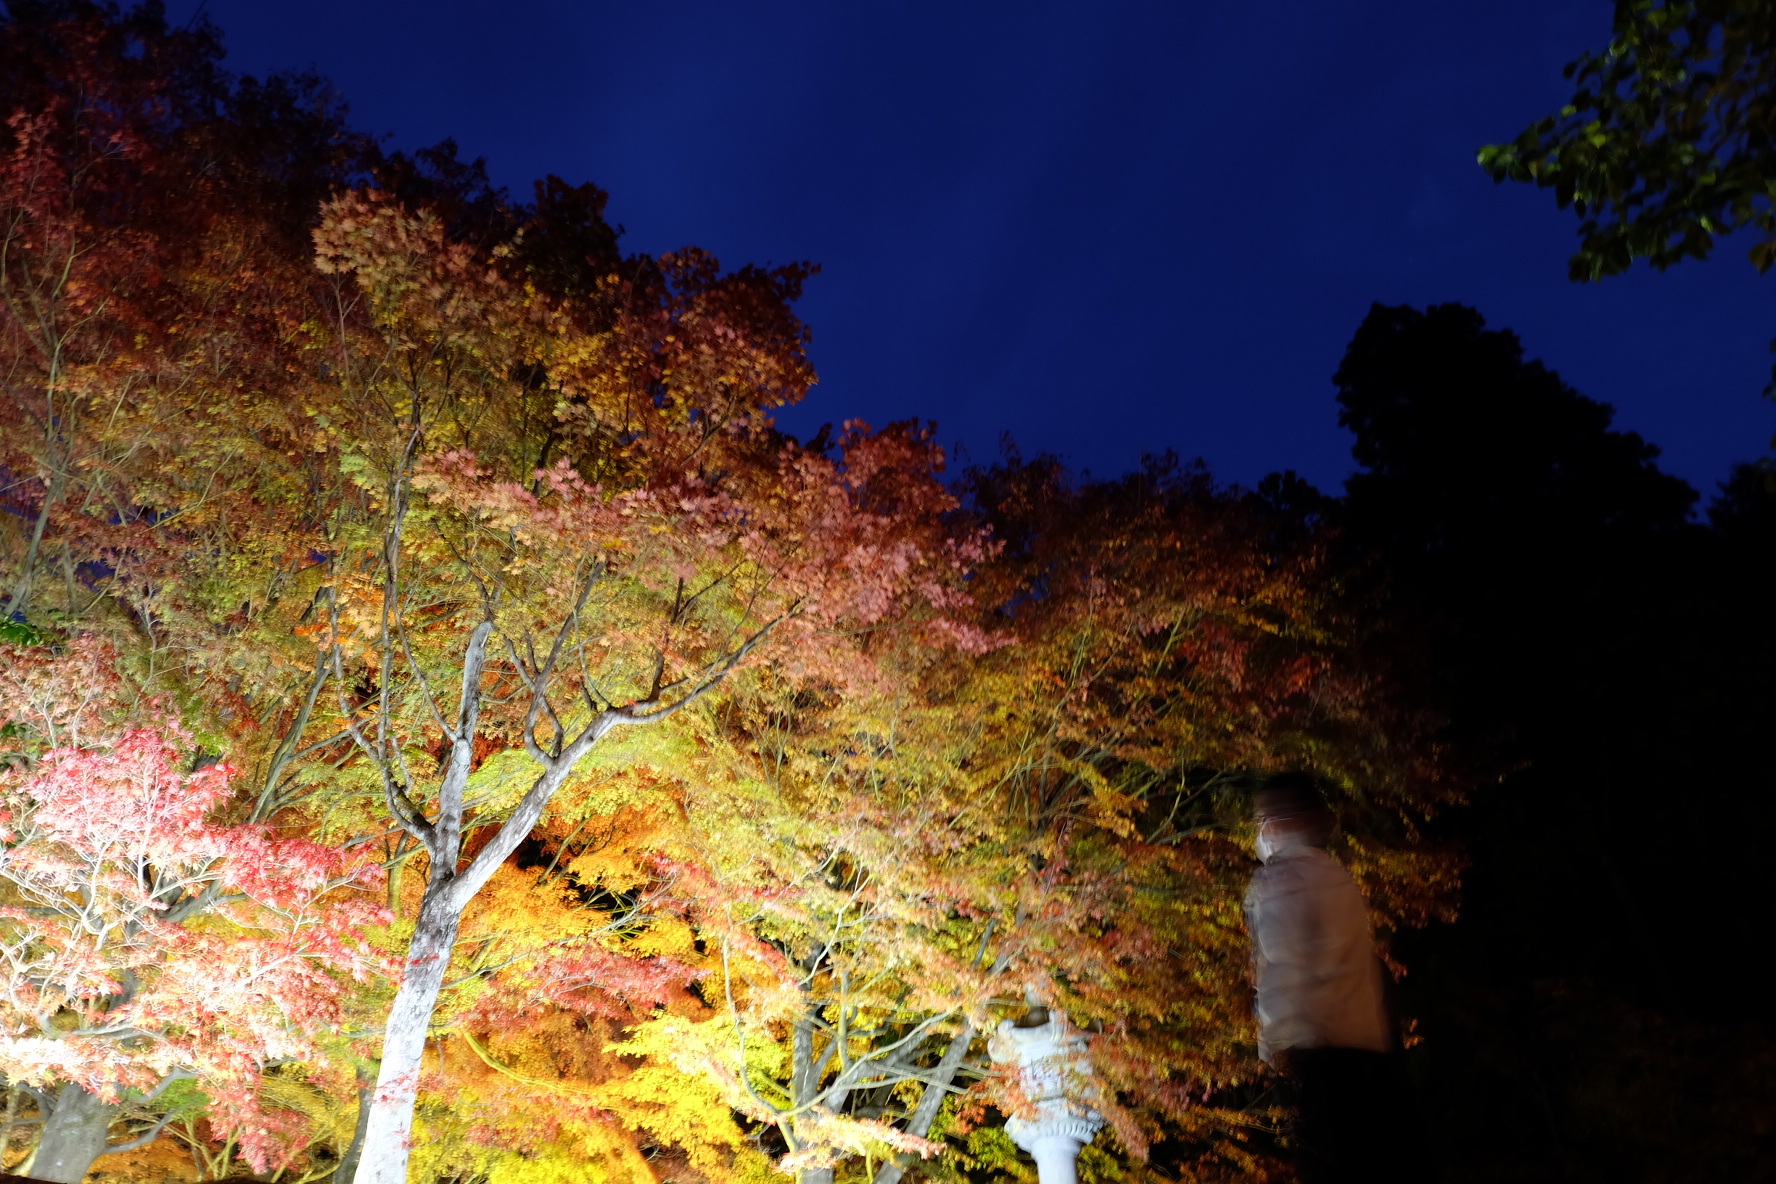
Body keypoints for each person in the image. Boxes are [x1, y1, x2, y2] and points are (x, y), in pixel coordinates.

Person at [1243, 773, 1418, 1183]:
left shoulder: (1280, 879)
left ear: (1284, 819)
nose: (1260, 830)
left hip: (1311, 1049)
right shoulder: (1338, 876)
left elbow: (1285, 966)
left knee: (1322, 1163)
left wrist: (1274, 1050)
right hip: (1363, 1046)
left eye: (1264, 818)